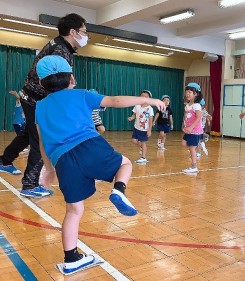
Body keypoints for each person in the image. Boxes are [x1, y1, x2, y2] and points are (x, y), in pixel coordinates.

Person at [34, 55, 165, 274]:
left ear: (41, 83)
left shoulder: (39, 107)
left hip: (62, 159)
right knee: (125, 164)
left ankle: (71, 259)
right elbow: (114, 101)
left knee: (73, 210)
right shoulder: (81, 95)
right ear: (70, 78)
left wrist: (48, 169)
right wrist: (148, 101)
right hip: (89, 145)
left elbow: (41, 141)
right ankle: (118, 190)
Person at [0, 13, 90, 197]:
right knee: (40, 140)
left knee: (27, 134)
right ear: (73, 32)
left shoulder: (57, 44)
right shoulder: (60, 51)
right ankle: (30, 185)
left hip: (29, 95)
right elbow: (55, 84)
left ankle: (5, 160)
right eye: (84, 31)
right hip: (36, 100)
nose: (86, 35)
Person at [182, 82, 204, 173]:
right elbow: (186, 117)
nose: (187, 94)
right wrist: (184, 125)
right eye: (186, 92)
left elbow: (199, 117)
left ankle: (194, 167)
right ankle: (198, 144)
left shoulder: (197, 105)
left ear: (196, 94)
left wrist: (191, 127)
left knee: (191, 148)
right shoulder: (187, 105)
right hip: (188, 131)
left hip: (195, 131)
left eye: (190, 92)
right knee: (184, 143)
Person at [128, 90, 154, 164]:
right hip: (136, 127)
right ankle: (142, 148)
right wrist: (131, 117)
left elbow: (150, 120)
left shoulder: (150, 109)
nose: (144, 98)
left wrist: (149, 130)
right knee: (134, 141)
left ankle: (143, 157)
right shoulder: (137, 106)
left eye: (146, 96)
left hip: (144, 129)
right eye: (142, 96)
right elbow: (134, 114)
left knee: (143, 143)